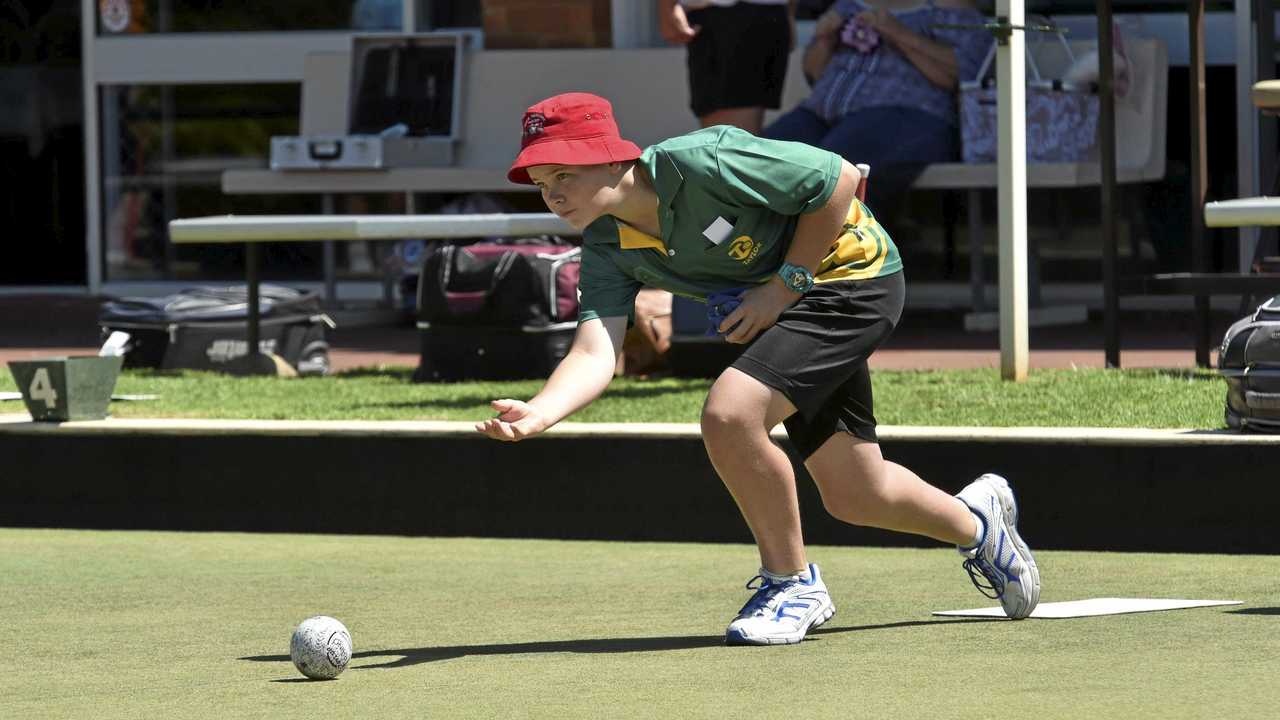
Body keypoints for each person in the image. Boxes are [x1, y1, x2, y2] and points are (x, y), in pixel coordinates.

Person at [476, 92, 1039, 645]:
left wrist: (783, 285)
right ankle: (980, 525)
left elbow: (839, 179)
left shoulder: (700, 160)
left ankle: (792, 585)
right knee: (856, 494)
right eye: (542, 183)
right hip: (788, 309)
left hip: (853, 280)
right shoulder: (606, 242)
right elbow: (596, 351)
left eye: (562, 175)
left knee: (731, 412)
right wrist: (541, 411)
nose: (552, 194)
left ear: (607, 154)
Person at [763, 0, 990, 214]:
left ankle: (823, 253)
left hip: (908, 117)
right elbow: (814, 73)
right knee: (757, 161)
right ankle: (750, 249)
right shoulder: (847, 5)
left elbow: (962, 75)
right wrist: (825, 40)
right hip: (821, 114)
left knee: (835, 170)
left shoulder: (948, 8)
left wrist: (897, 32)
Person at [658, 0, 796, 133]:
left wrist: (668, 7)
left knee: (728, 145)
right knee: (738, 140)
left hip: (727, 17)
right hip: (767, 15)